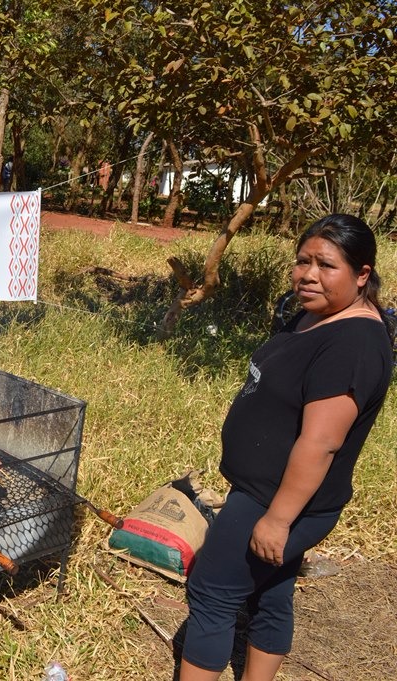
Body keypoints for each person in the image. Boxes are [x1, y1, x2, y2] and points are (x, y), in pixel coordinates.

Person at [179, 213, 394, 681]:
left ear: (362, 275)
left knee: (212, 592)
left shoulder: (354, 341)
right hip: (266, 492)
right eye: (302, 261)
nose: (308, 274)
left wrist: (276, 520)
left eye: (326, 265)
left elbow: (321, 442)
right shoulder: (316, 316)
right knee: (269, 593)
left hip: (274, 500)